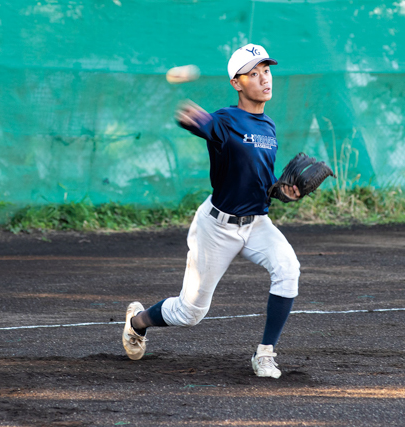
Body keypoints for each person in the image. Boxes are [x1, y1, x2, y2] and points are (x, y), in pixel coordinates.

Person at [122, 43, 301, 379]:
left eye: (267, 70)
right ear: (237, 83)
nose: (264, 78)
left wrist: (281, 190)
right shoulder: (224, 121)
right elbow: (205, 126)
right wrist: (194, 118)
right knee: (191, 312)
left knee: (288, 268)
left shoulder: (269, 127)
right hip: (216, 228)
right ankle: (138, 321)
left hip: (257, 223)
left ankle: (265, 354)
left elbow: (262, 180)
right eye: (254, 73)